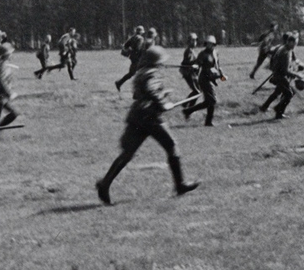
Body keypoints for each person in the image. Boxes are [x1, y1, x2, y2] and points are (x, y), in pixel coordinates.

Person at [96, 46, 199, 204]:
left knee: (127, 153)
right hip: (150, 117)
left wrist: (163, 94)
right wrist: (163, 103)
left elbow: (140, 93)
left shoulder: (142, 72)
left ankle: (104, 184)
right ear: (155, 61)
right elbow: (150, 90)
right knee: (171, 145)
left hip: (137, 116)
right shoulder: (151, 73)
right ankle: (180, 185)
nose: (162, 64)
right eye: (161, 61)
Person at [182, 36, 224, 127]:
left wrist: (222, 76)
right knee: (212, 100)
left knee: (209, 101)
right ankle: (190, 112)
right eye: (207, 44)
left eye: (211, 44)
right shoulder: (202, 54)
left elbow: (218, 66)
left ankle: (206, 121)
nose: (209, 45)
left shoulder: (215, 53)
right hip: (204, 79)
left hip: (211, 78)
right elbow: (197, 63)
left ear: (214, 44)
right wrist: (195, 66)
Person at [260, 31, 303, 119]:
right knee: (289, 94)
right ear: (290, 42)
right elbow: (285, 70)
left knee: (279, 91)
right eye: (295, 43)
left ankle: (266, 107)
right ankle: (278, 112)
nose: (295, 45)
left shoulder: (284, 49)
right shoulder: (286, 52)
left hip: (277, 75)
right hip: (280, 76)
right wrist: (297, 75)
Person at [114, 25, 147, 91]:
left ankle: (119, 83)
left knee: (132, 73)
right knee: (142, 72)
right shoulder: (140, 38)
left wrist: (130, 51)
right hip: (138, 58)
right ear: (141, 32)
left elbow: (125, 45)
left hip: (133, 57)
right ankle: (142, 88)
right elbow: (138, 49)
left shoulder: (132, 37)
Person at [179, 33, 200, 98]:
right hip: (188, 74)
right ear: (189, 41)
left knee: (198, 91)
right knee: (197, 91)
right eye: (193, 40)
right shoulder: (189, 51)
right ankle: (186, 103)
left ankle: (187, 103)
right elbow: (188, 62)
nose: (195, 42)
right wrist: (197, 62)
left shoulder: (192, 50)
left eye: (196, 40)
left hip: (192, 74)